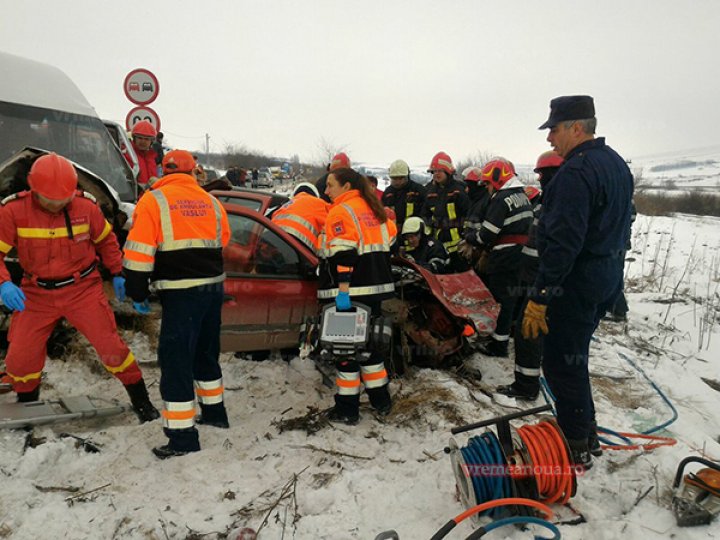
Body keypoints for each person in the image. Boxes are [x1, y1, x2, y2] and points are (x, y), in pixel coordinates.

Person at [0, 153, 159, 422]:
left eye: (63, 199)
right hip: (36, 294)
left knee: (112, 348)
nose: (57, 205)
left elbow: (107, 242)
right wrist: (4, 283)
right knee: (20, 358)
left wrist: (118, 272)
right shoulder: (13, 211)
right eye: (50, 200)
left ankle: (141, 401)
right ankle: (27, 407)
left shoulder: (86, 208)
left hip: (82, 289)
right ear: (32, 187)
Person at [523, 95, 634, 469]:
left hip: (575, 282)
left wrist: (540, 296)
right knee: (576, 357)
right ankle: (587, 432)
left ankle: (574, 448)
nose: (549, 139)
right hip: (605, 277)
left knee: (559, 364)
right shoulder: (615, 163)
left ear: (575, 127)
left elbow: (563, 243)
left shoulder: (575, 173)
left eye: (553, 129)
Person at [123, 149, 231, 459]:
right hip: (213, 287)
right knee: (206, 354)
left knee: (176, 361)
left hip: (180, 292)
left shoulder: (153, 201)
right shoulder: (211, 201)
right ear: (193, 172)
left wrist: (138, 292)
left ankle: (182, 438)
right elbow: (223, 241)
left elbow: (139, 252)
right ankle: (215, 415)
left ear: (164, 170)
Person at [318, 167, 396, 424]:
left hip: (351, 291)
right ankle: (381, 401)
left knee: (345, 352)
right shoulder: (374, 210)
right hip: (375, 289)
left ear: (347, 187)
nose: (326, 191)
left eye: (331, 185)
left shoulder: (342, 211)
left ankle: (347, 409)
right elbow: (391, 239)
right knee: (369, 349)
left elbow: (344, 255)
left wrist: (342, 291)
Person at [497, 150, 563, 400]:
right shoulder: (550, 202)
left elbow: (557, 251)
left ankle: (526, 387)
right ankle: (532, 383)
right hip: (535, 279)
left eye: (544, 174)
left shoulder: (559, 206)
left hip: (543, 282)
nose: (540, 179)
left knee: (529, 334)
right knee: (535, 334)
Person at [463, 158, 533, 357]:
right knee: (510, 300)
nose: (487, 188)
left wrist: (470, 238)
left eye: (487, 184)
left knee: (499, 301)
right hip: (521, 255)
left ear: (497, 180)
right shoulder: (522, 196)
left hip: (504, 257)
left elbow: (487, 233)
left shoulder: (501, 199)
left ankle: (497, 345)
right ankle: (503, 337)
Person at [421, 152, 471, 272]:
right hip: (439, 245)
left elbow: (468, 213)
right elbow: (425, 214)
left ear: (448, 172)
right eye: (434, 171)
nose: (436, 174)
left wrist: (467, 238)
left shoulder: (459, 189)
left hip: (459, 246)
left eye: (439, 171)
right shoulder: (429, 191)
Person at [271, 182, 330, 255]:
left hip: (272, 244)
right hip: (298, 248)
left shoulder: (283, 207)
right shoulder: (317, 203)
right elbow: (336, 218)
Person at [381, 159, 426, 232]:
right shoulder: (388, 193)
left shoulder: (418, 191)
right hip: (394, 233)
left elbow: (426, 212)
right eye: (394, 178)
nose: (397, 182)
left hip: (414, 233)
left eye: (401, 178)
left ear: (407, 176)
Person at [130, 120, 159, 187]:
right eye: (140, 138)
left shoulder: (151, 158)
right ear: (134, 138)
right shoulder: (127, 155)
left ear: (151, 141)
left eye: (146, 139)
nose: (143, 141)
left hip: (149, 195)